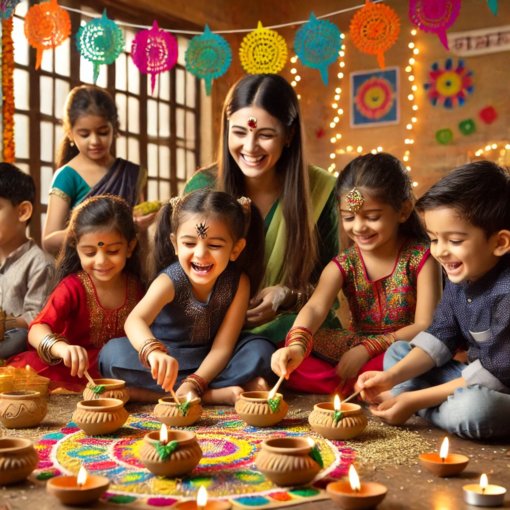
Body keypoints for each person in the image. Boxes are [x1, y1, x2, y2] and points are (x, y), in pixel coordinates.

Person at [358, 161, 510, 439]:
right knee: (397, 354)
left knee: (475, 409)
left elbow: (496, 376)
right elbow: (440, 336)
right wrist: (391, 378)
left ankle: (414, 403)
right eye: (433, 239)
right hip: (473, 377)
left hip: (500, 390)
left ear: (500, 242)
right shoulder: (462, 274)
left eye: (453, 241)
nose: (440, 252)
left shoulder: (506, 292)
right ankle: (412, 396)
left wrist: (416, 401)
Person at [184, 74, 340, 344]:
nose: (250, 147)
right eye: (239, 132)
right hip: (213, 325)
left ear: (289, 135)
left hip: (288, 327)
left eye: (265, 135)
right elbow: (180, 273)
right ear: (227, 130)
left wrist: (286, 295)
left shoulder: (321, 191)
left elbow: (329, 285)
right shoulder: (204, 186)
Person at [271, 153, 442, 395]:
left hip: (402, 348)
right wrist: (297, 346)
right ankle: (363, 386)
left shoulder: (422, 258)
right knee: (285, 356)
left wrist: (367, 349)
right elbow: (315, 308)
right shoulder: (345, 263)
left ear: (403, 211)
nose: (359, 227)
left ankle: (364, 384)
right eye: (349, 217)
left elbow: (426, 325)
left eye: (372, 217)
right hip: (353, 345)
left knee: (401, 362)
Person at [99, 189, 277, 405]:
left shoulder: (239, 283)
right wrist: (153, 351)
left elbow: (223, 346)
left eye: (215, 245)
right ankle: (214, 395)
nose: (200, 254)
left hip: (214, 358)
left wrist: (195, 381)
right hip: (167, 360)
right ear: (175, 244)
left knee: (262, 351)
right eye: (189, 244)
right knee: (112, 355)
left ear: (235, 249)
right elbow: (135, 321)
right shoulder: (169, 281)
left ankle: (173, 393)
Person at [8, 195, 143, 390]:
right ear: (76, 248)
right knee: (27, 369)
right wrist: (62, 349)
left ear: (130, 247)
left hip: (115, 367)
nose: (101, 261)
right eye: (89, 253)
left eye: (112, 251)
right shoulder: (73, 287)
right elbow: (37, 329)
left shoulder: (137, 288)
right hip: (69, 367)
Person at [43, 85, 154, 256]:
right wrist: (96, 230)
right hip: (81, 273)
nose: (94, 141)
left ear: (114, 128)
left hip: (125, 269)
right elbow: (49, 241)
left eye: (102, 132)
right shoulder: (67, 176)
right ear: (70, 133)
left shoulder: (132, 174)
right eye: (84, 134)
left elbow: (140, 236)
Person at [0, 164, 53, 360]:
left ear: (23, 212)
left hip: (15, 337)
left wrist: (5, 323)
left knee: (21, 337)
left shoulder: (40, 264)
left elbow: (37, 318)